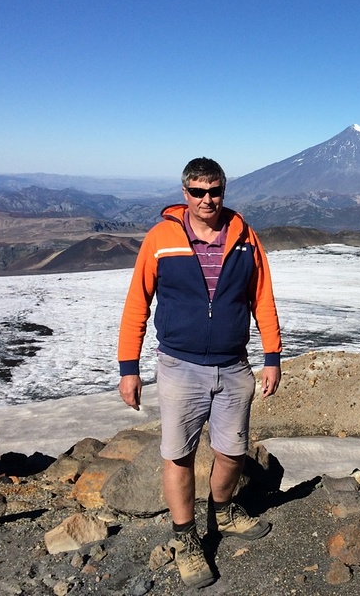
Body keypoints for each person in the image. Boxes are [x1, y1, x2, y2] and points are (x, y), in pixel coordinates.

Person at [117, 157, 282, 588]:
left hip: (233, 365)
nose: (206, 200)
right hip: (179, 366)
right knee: (179, 455)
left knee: (232, 451)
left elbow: (261, 298)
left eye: (214, 191)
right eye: (197, 192)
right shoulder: (161, 238)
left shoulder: (245, 238)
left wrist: (273, 355)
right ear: (184, 193)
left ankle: (223, 510)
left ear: (223, 191)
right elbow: (138, 303)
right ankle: (185, 538)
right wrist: (128, 367)